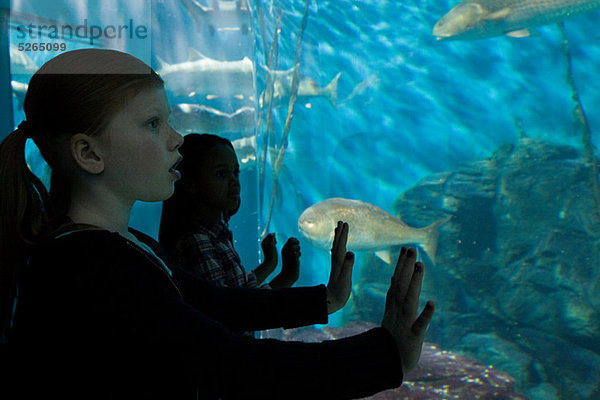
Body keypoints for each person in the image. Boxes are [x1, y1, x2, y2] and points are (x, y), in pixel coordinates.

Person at [0, 48, 435, 399]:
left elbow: (218, 303)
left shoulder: (123, 244)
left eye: (168, 120)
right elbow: (235, 366)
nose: (177, 138)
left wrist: (324, 299)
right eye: (154, 124)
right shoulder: (93, 272)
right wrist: (387, 356)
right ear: (89, 153)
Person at [159, 133, 300, 290]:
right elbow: (231, 310)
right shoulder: (196, 242)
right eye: (221, 173)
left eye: (235, 172)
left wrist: (270, 264)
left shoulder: (214, 236)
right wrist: (285, 278)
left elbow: (236, 290)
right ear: (191, 184)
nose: (233, 180)